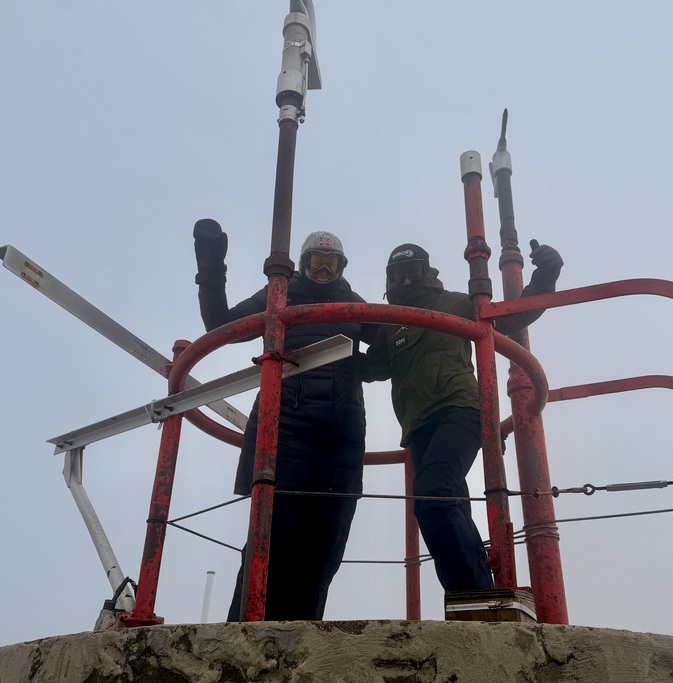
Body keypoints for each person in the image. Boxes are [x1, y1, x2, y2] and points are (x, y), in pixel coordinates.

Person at [193, 219, 373, 621]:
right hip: (286, 425)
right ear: (304, 263)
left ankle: (303, 634)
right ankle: (246, 632)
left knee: (327, 540)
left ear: (343, 267)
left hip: (341, 430)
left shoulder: (357, 305)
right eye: (317, 262)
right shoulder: (281, 294)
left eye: (332, 263)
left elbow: (404, 342)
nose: (324, 271)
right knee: (273, 535)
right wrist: (210, 268)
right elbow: (220, 325)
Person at [360, 240, 563, 593]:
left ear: (427, 272)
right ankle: (479, 591)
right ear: (389, 279)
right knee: (447, 500)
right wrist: (315, 348)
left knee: (433, 494)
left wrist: (545, 276)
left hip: (462, 410)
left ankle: (470, 592)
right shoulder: (391, 326)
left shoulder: (451, 303)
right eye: (398, 273)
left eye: (414, 270)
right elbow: (369, 366)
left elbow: (512, 315)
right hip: (419, 426)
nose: (407, 279)